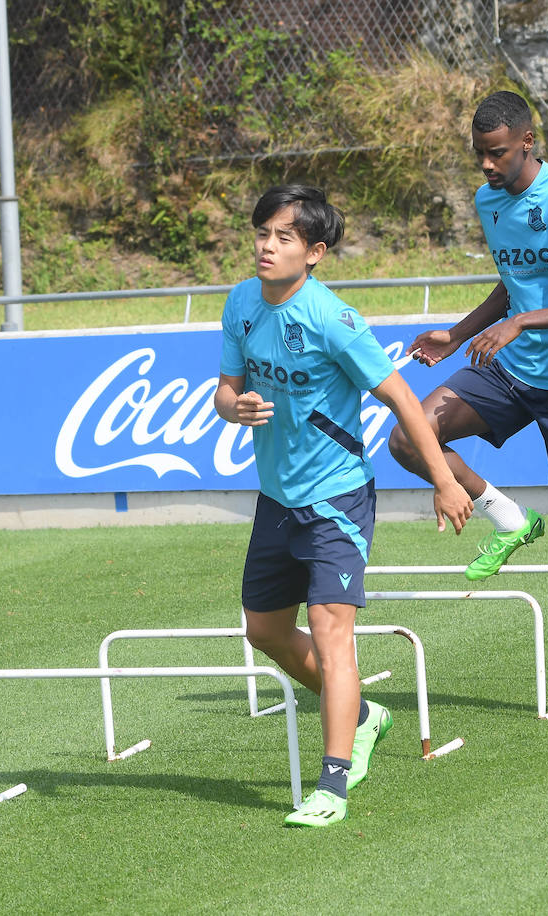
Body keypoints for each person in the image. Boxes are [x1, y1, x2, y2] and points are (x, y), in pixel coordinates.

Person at [216, 184, 472, 828]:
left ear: (315, 252)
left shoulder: (334, 320)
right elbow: (225, 389)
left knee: (334, 639)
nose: (266, 246)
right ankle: (363, 715)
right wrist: (234, 407)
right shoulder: (242, 302)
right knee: (264, 631)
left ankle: (331, 785)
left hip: (336, 500)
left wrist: (443, 480)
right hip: (276, 499)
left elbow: (404, 401)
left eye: (283, 237)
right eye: (262, 233)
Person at [388, 90, 548, 729]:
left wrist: (523, 322)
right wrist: (460, 333)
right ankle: (508, 517)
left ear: (527, 141)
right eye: (479, 156)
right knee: (410, 435)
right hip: (511, 370)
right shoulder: (488, 201)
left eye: (496, 154)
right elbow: (513, 281)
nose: (487, 168)